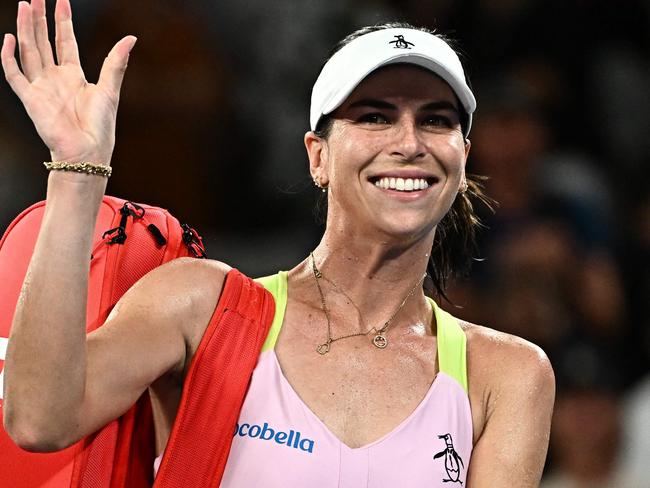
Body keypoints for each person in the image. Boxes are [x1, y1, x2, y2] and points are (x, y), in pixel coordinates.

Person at [1, 0, 555, 486]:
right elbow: (40, 420)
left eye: (435, 120)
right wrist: (78, 170)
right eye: (375, 117)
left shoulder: (506, 375)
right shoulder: (201, 306)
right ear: (319, 155)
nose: (409, 143)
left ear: (462, 156)